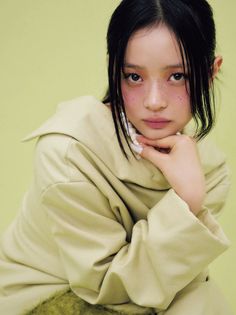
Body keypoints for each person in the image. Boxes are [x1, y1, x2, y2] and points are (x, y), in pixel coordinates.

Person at [0, 0, 233, 314]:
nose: (154, 102)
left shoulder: (207, 168)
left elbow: (176, 282)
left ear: (209, 73)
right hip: (47, 297)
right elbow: (108, 287)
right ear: (114, 70)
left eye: (177, 76)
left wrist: (189, 196)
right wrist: (186, 204)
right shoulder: (68, 154)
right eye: (134, 77)